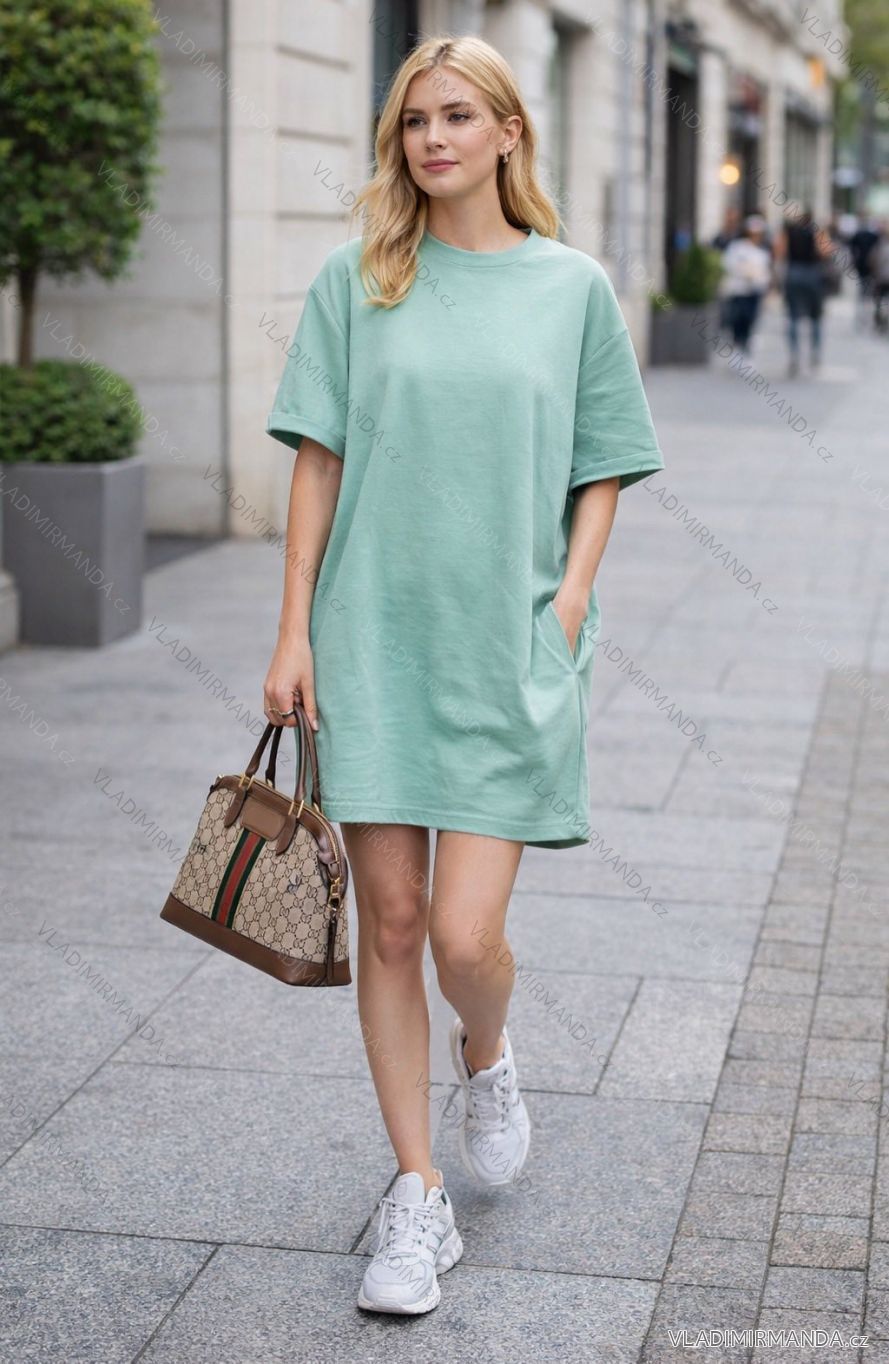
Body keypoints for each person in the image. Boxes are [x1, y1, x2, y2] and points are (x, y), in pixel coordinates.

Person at [263, 33, 665, 1317]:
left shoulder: (572, 288)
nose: (431, 138)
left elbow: (604, 457)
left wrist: (573, 592)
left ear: (507, 133)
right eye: (413, 119)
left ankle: (485, 1051)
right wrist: (292, 629)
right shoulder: (357, 280)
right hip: (373, 636)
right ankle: (416, 1189)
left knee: (462, 934)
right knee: (389, 922)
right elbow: (317, 458)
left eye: (455, 115)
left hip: (506, 644)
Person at [773, 207, 829, 377]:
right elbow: (825, 252)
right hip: (812, 272)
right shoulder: (817, 231)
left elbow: (780, 251)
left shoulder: (789, 231)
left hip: (794, 272)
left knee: (792, 317)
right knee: (816, 317)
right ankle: (815, 354)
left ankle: (794, 355)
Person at [720, 214, 772, 353]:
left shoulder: (762, 251)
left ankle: (746, 343)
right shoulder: (737, 247)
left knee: (751, 318)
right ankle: (738, 342)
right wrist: (745, 271)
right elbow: (729, 264)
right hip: (739, 290)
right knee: (737, 318)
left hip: (755, 290)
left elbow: (765, 272)